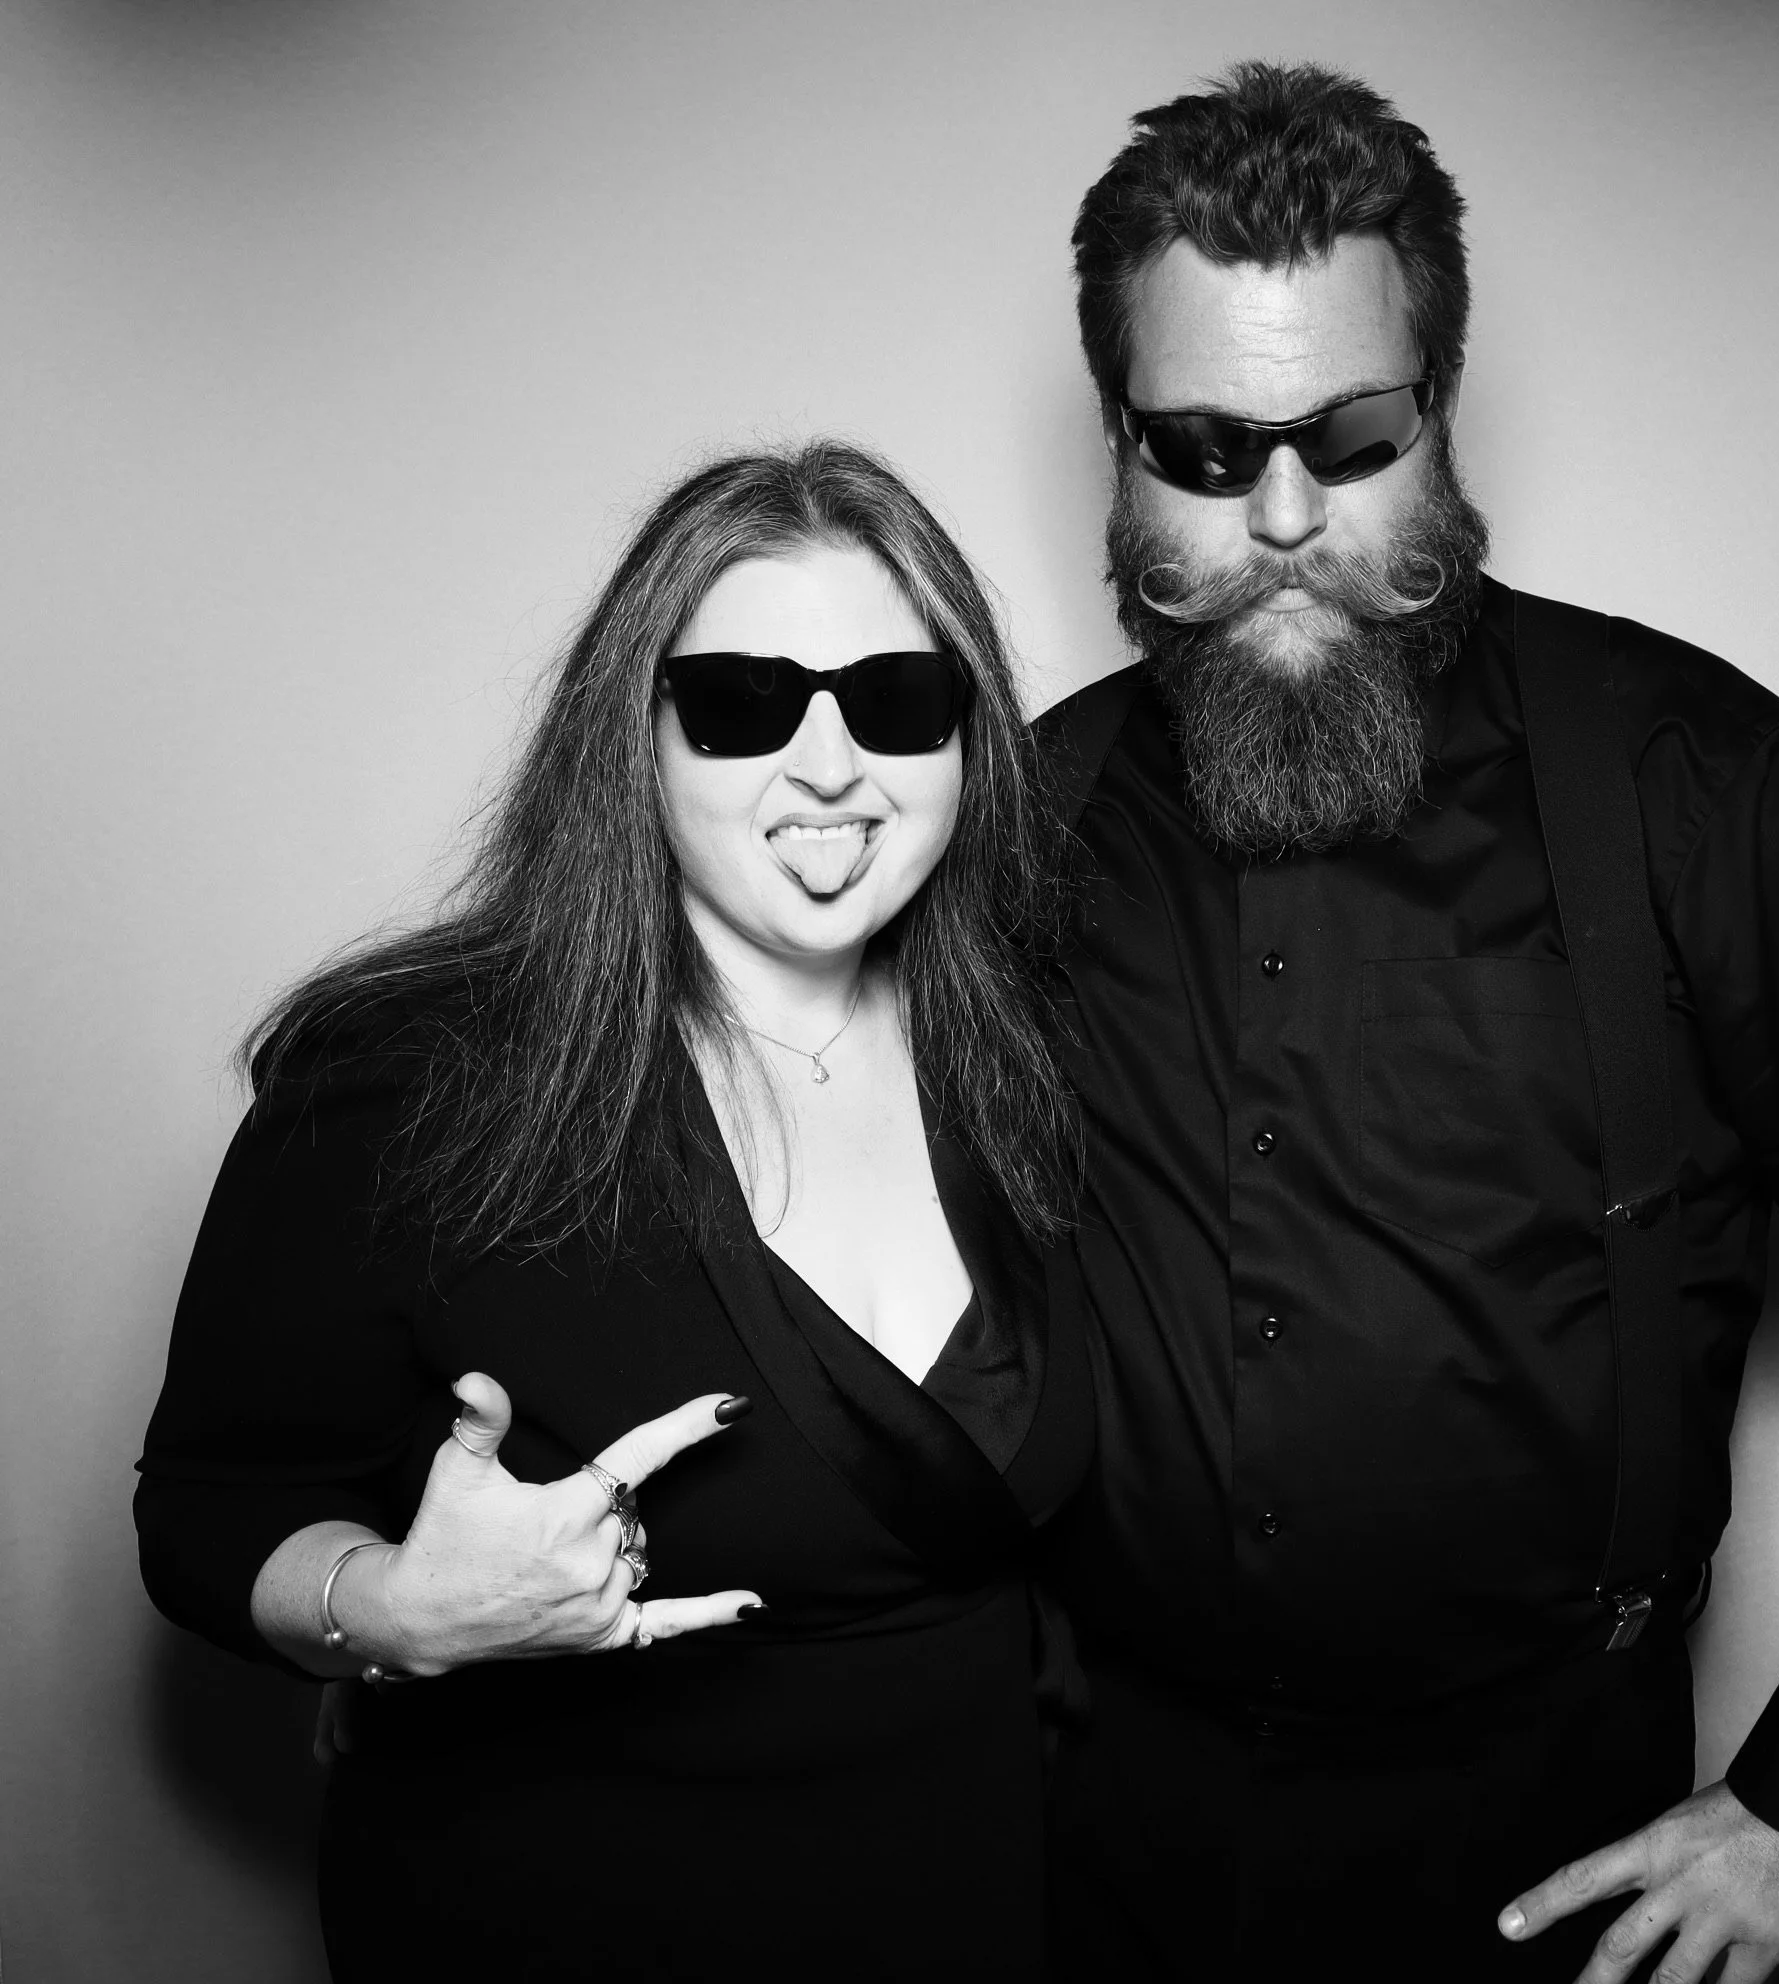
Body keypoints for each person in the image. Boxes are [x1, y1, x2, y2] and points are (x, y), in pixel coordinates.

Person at [1036, 61, 1779, 1984]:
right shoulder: (1015, 823)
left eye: (1353, 435)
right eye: (1205, 450)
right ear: (1119, 449)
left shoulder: (1693, 779)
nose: (1285, 515)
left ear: (1440, 417)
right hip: (1086, 1847)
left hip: (1555, 1863)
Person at [135, 441, 1087, 1982]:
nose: (833, 764)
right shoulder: (410, 1081)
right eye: (743, 704)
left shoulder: (1032, 1054)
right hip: (561, 1916)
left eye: (896, 699)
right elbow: (203, 1518)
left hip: (968, 1898)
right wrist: (394, 1610)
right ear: (629, 738)